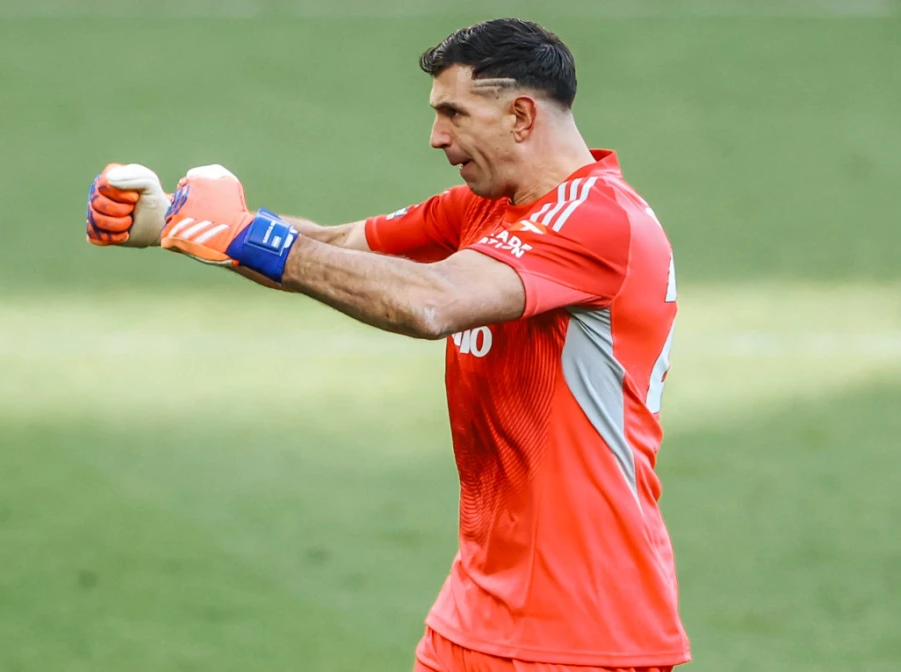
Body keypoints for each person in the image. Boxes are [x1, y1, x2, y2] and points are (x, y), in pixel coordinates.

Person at [84, 17, 688, 672]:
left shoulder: (596, 220)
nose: (437, 137)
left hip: (581, 626)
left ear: (520, 116)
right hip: (476, 611)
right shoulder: (486, 208)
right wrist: (173, 220)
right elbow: (332, 247)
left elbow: (430, 302)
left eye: (453, 113)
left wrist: (238, 233)